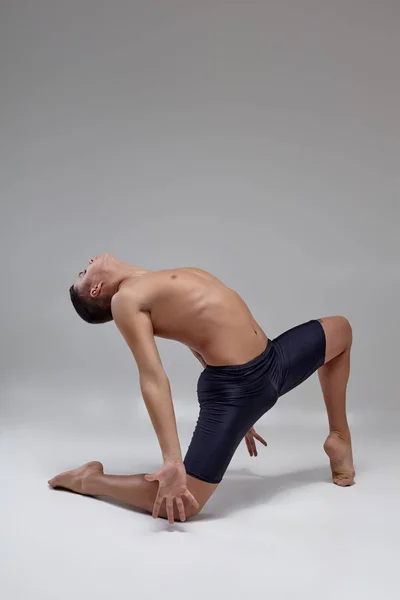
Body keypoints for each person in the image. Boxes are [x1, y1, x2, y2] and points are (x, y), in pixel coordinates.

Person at [48, 253, 355, 524]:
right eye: (83, 274)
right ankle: (91, 481)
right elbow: (152, 377)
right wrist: (172, 458)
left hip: (273, 361)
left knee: (340, 330)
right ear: (96, 289)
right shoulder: (125, 300)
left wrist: (244, 419)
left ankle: (339, 437)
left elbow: (197, 333)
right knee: (184, 503)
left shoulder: (149, 279)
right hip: (235, 389)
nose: (87, 264)